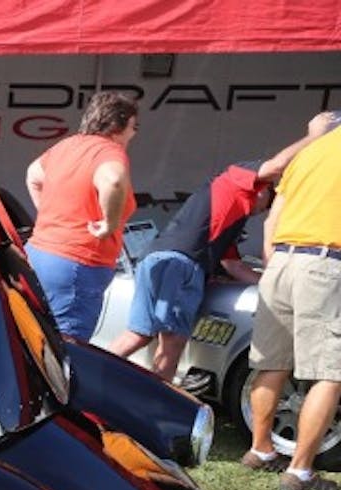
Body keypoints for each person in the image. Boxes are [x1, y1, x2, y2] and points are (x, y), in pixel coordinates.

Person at [108, 112, 338, 382]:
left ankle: (87, 374)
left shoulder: (228, 220)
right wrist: (315, 136)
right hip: (181, 263)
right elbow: (277, 165)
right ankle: (157, 402)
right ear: (261, 189)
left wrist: (272, 281)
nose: (261, 210)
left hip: (154, 259)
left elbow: (234, 266)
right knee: (173, 343)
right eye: (267, 201)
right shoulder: (234, 180)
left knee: (137, 334)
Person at [246, 117, 341, 490]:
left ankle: (260, 450)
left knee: (272, 363)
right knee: (330, 372)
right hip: (325, 263)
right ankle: (300, 472)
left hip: (282, 261)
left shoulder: (310, 152)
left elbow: (274, 215)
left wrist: (274, 260)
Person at [24, 91, 139, 339]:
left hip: (38, 255)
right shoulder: (109, 151)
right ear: (118, 126)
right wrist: (109, 224)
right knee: (68, 346)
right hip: (76, 264)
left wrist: (48, 215)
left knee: (31, 339)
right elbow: (114, 181)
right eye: (133, 127)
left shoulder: (66, 146)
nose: (134, 134)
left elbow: (33, 175)